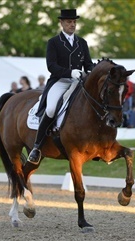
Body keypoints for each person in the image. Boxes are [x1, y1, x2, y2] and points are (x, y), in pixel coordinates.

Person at [28, 9, 94, 164]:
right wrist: (70, 73)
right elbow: (51, 66)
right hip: (60, 81)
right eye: (69, 22)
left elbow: (88, 64)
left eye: (74, 22)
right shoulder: (54, 42)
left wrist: (89, 73)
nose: (72, 25)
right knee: (51, 109)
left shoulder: (82, 42)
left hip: (79, 81)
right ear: (62, 23)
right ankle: (37, 147)